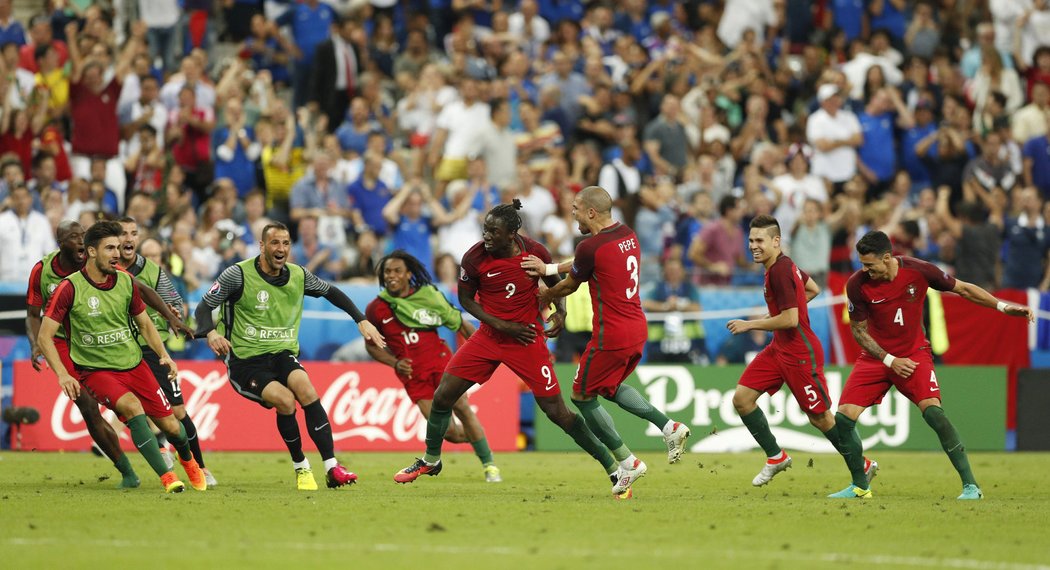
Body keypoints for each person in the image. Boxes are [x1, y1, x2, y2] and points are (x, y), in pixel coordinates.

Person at [392, 201, 619, 493]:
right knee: (442, 396)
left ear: (512, 233)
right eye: (485, 229)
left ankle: (613, 467)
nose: (486, 236)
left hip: (527, 340)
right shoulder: (474, 257)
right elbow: (466, 299)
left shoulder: (536, 252)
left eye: (493, 231)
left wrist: (560, 312)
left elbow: (557, 283)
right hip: (489, 337)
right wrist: (500, 325)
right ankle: (431, 459)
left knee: (557, 412)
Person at [837, 231, 1034, 500]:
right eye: (861, 264)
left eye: (869, 265)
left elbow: (963, 288)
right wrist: (889, 360)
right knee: (844, 418)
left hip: (914, 354)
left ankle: (971, 486)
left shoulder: (919, 271)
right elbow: (859, 332)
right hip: (877, 357)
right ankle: (860, 485)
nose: (865, 270)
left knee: (934, 414)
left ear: (887, 258)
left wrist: (1001, 306)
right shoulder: (857, 285)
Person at [525, 186, 692, 496]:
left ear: (591, 212)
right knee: (610, 388)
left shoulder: (590, 247)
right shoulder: (627, 234)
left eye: (575, 208)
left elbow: (571, 284)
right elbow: (584, 263)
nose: (572, 213)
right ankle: (669, 427)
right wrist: (548, 268)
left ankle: (627, 461)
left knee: (581, 397)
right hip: (636, 329)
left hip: (610, 334)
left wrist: (545, 293)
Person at [194, 222, 385, 490]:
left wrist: (360, 320)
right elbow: (203, 307)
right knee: (285, 401)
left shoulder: (299, 275)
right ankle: (301, 467)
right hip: (246, 361)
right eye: (274, 243)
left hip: (282, 353)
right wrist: (210, 333)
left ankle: (332, 467)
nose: (280, 248)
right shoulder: (236, 275)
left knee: (306, 390)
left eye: (285, 243)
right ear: (262, 246)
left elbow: (332, 292)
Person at [36, 221, 206, 493]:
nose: (117, 254)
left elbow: (145, 325)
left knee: (173, 426)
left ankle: (188, 461)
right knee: (131, 408)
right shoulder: (69, 288)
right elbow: (45, 336)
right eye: (109, 248)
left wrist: (165, 356)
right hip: (95, 370)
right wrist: (63, 374)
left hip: (134, 364)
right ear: (91, 252)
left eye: (117, 247)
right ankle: (168, 477)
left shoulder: (125, 281)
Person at [726, 215, 876, 493]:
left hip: (799, 352)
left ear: (776, 241)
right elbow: (812, 289)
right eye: (750, 240)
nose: (753, 246)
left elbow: (791, 320)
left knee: (821, 418)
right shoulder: (781, 266)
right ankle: (776, 456)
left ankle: (861, 465)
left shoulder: (781, 271)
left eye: (759, 240)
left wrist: (753, 323)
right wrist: (787, 312)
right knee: (743, 399)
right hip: (778, 348)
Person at [365, 250, 501, 482]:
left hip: (442, 364)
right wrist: (395, 363)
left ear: (408, 274)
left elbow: (459, 323)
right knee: (447, 432)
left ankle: (489, 466)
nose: (391, 276)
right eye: (387, 271)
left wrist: (486, 352)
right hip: (414, 376)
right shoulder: (376, 309)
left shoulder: (428, 296)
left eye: (397, 270)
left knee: (463, 410)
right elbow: (372, 346)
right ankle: (479, 440)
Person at [25, 221, 139, 488]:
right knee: (87, 406)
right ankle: (126, 469)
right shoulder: (42, 270)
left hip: (99, 341)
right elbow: (33, 314)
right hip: (63, 343)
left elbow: (135, 288)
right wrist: (36, 344)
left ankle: (160, 447)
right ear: (60, 242)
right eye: (72, 237)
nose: (79, 242)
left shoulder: (97, 261)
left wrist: (168, 314)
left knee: (127, 401)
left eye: (82, 236)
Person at [116, 217, 216, 488]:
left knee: (178, 411)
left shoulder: (154, 272)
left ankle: (200, 466)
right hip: (120, 350)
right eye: (123, 233)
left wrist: (174, 312)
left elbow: (175, 303)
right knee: (127, 405)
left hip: (153, 347)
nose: (128, 239)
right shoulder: (105, 270)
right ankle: (160, 446)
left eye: (133, 233)